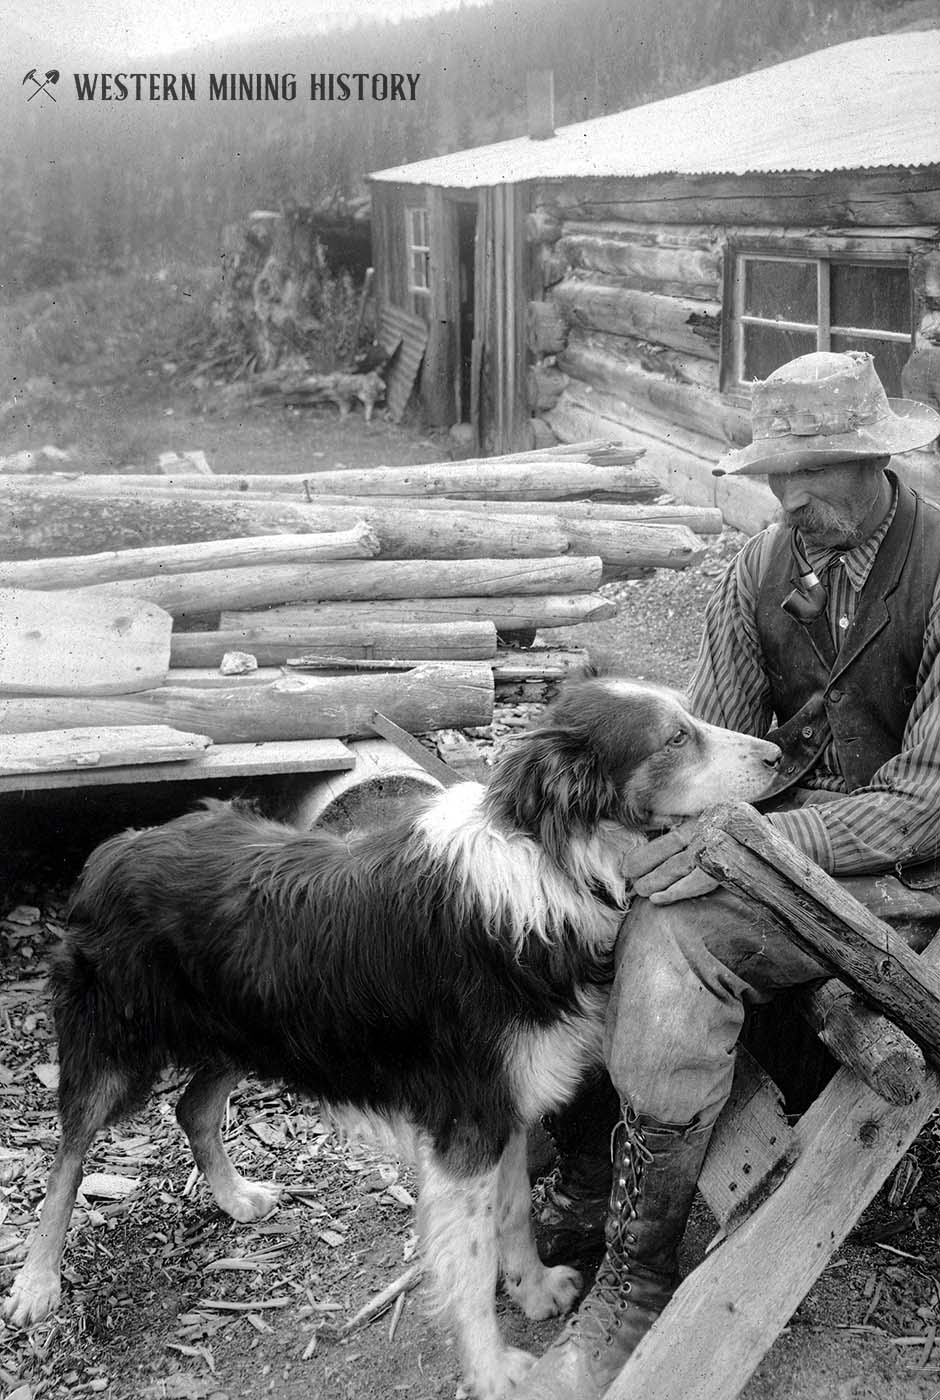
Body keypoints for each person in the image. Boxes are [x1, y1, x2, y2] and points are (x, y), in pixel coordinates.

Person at [515, 349, 940, 1400]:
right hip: (775, 857)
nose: (794, 496)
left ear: (876, 459)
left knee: (674, 910)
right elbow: (710, 755)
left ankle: (622, 1249)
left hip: (914, 872)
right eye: (775, 475)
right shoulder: (757, 570)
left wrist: (755, 846)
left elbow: (925, 801)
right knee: (626, 915)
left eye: (818, 471)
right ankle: (625, 1244)